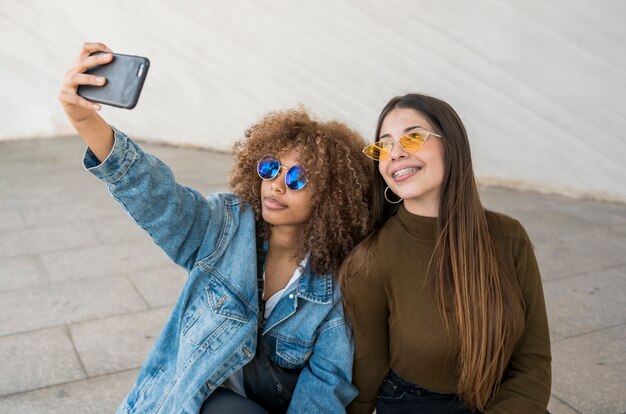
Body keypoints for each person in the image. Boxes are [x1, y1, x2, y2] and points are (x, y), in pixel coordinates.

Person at [59, 42, 373, 414]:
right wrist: (85, 121)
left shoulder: (335, 284)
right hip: (189, 401)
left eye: (299, 178)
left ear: (331, 197)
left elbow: (325, 386)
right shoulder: (224, 226)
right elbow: (157, 197)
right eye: (271, 168)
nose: (276, 184)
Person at [341, 93, 551, 414]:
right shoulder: (371, 260)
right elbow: (366, 373)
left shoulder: (509, 236)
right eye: (384, 145)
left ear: (451, 144)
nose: (395, 154)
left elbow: (533, 360)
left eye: (412, 138)